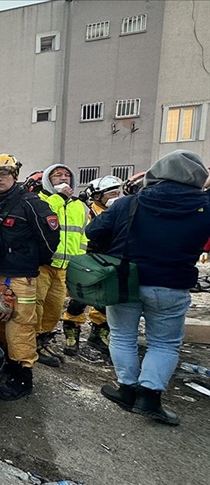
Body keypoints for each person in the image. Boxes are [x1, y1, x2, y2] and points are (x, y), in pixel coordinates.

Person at [89, 150, 210, 426]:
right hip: (172, 284)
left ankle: (126, 389)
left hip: (125, 280)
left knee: (122, 335)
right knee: (165, 342)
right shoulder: (205, 205)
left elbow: (94, 232)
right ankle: (150, 398)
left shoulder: (129, 203)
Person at [0, 154, 60, 401]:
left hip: (20, 277)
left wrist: (28, 263)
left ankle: (23, 376)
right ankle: (8, 362)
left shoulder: (30, 203)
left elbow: (49, 240)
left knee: (20, 327)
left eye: (4, 174)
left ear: (14, 176)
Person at [33, 164, 89, 368]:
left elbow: (83, 235)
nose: (63, 178)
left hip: (66, 266)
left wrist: (80, 261)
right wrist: (59, 198)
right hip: (44, 264)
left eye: (67, 175)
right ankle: (33, 342)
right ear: (48, 179)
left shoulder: (79, 206)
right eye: (57, 175)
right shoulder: (42, 201)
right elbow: (44, 221)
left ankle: (44, 339)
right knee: (36, 305)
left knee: (55, 307)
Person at [60, 175, 122, 356]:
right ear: (96, 196)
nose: (115, 196)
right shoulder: (87, 212)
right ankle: (72, 334)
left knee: (105, 301)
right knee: (79, 300)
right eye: (110, 193)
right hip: (88, 262)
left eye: (117, 192)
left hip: (111, 263)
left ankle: (99, 333)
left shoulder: (121, 212)